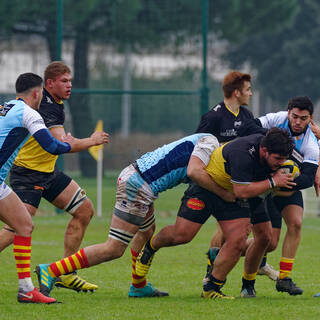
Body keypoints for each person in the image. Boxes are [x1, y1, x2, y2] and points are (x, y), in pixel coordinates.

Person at [34, 133, 238, 299]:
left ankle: (138, 285)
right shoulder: (210, 143)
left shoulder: (206, 142)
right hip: (138, 186)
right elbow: (194, 172)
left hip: (138, 179)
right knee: (113, 248)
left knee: (148, 231)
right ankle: (51, 270)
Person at [135, 128, 295, 299]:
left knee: (238, 240)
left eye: (284, 159)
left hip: (229, 196)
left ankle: (211, 288)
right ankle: (150, 248)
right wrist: (273, 181)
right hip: (207, 188)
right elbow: (242, 191)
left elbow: (243, 191)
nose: (281, 163)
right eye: (278, 159)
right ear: (264, 150)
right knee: (182, 235)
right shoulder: (242, 153)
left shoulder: (270, 150)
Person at [0, 72, 108, 303]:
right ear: (38, 92)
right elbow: (51, 146)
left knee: (25, 225)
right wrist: (82, 142)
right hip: (28, 175)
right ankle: (28, 290)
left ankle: (36, 286)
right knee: (20, 226)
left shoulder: (6, 106)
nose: (70, 85)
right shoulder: (31, 114)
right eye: (65, 81)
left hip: (32, 176)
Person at [196, 70, 278, 281]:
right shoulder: (213, 117)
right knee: (226, 229)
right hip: (219, 182)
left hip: (243, 180)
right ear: (236, 92)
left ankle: (257, 263)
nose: (251, 93)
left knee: (256, 233)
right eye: (248, 90)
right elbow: (200, 145)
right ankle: (211, 272)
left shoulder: (246, 116)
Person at [235, 96, 319, 295]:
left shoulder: (311, 143)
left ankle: (284, 278)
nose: (298, 122)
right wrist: (274, 136)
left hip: (285, 185)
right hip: (264, 182)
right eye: (295, 116)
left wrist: (284, 183)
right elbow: (248, 127)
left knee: (296, 223)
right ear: (288, 112)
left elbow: (307, 177)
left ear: (311, 118)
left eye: (303, 118)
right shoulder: (276, 119)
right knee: (269, 243)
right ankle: (225, 252)